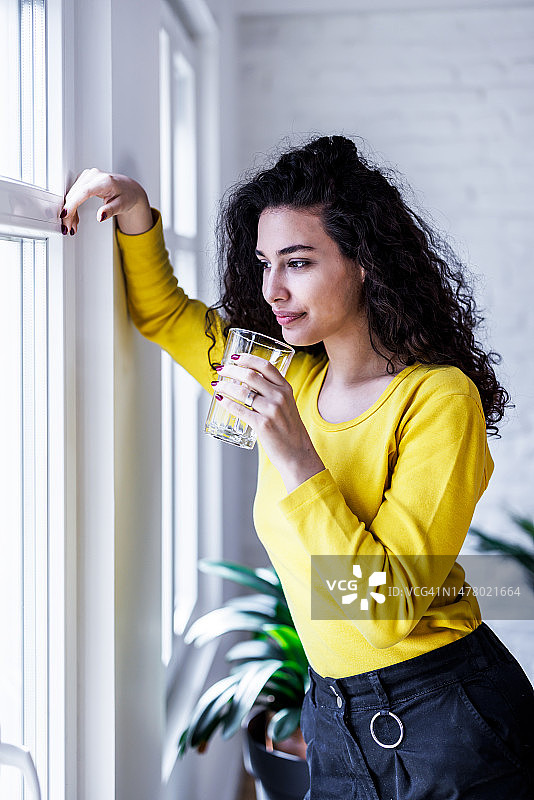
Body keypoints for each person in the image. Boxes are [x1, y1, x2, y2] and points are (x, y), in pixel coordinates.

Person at [60, 135, 534, 798]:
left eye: (299, 262)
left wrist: (294, 453)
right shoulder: (288, 377)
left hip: (446, 714)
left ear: (365, 261)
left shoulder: (437, 398)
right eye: (263, 263)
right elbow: (165, 315)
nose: (272, 289)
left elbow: (385, 611)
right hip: (332, 711)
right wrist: (135, 210)